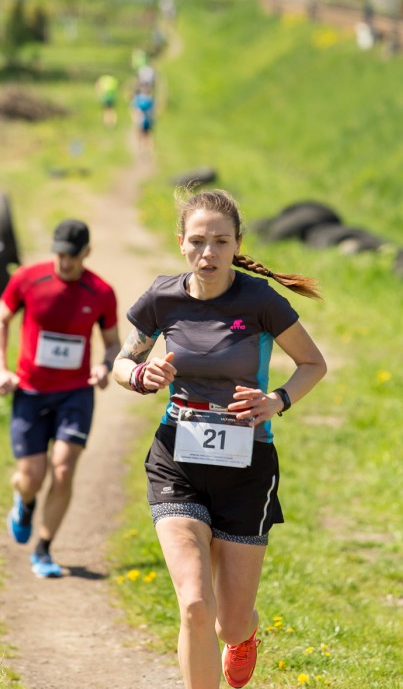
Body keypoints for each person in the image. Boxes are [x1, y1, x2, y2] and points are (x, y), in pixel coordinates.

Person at [113, 189, 327, 688]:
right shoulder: (162, 298)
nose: (207, 252)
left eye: (220, 242)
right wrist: (140, 374)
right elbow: (122, 362)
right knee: (193, 604)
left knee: (228, 622)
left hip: (247, 468)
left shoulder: (259, 301)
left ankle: (243, 635)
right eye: (197, 241)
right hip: (177, 460)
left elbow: (313, 363)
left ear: (237, 245)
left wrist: (277, 400)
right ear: (181, 243)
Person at [0, 219, 120, 578]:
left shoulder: (101, 292)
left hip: (75, 393)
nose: (65, 262)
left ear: (86, 253)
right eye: (60, 254)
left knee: (62, 469)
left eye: (72, 256)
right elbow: (0, 320)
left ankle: (44, 549)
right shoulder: (28, 279)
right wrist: (1, 370)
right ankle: (25, 501)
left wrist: (105, 366)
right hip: (30, 392)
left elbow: (112, 343)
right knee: (31, 476)